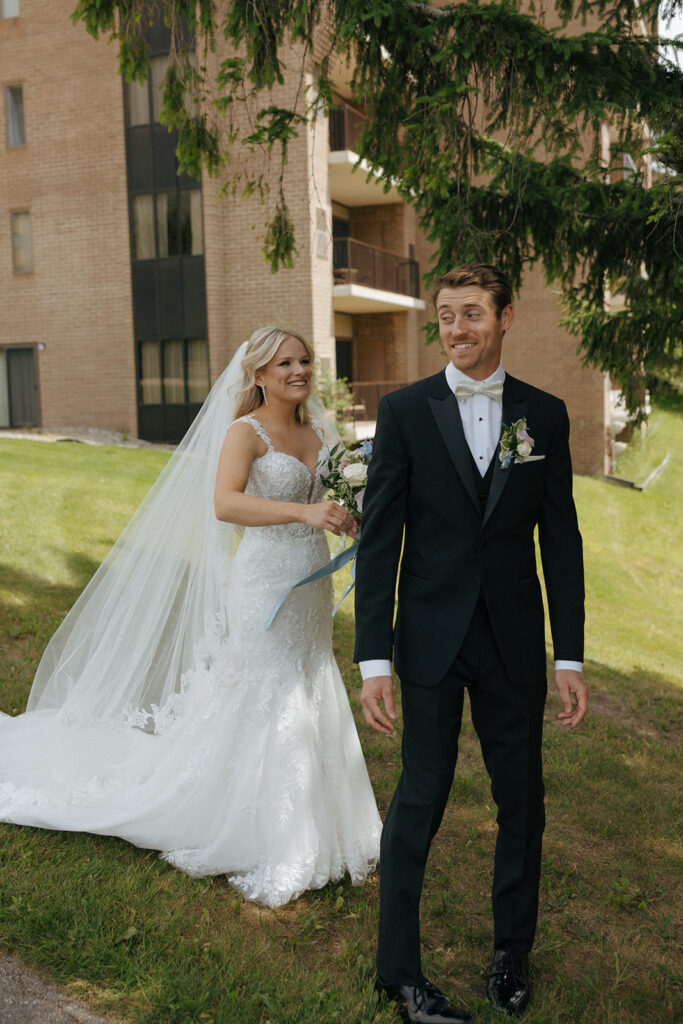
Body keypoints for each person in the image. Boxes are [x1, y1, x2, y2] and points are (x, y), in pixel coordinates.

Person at [0, 326, 381, 908]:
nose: (298, 371)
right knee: (268, 688)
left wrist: (345, 514)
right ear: (257, 375)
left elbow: (330, 496)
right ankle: (263, 826)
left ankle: (328, 818)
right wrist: (303, 510)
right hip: (262, 584)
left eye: (304, 361)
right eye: (285, 363)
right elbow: (225, 503)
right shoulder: (244, 431)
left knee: (309, 676)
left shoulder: (319, 431)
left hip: (308, 588)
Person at [354, 264, 588, 1021]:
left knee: (521, 801)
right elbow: (379, 541)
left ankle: (510, 955)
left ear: (505, 317)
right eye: (446, 316)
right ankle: (400, 973)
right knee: (419, 799)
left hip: (513, 643)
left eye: (471, 315)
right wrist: (373, 660)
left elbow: (560, 541)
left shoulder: (543, 416)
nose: (456, 330)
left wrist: (568, 655)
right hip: (426, 641)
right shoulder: (403, 412)